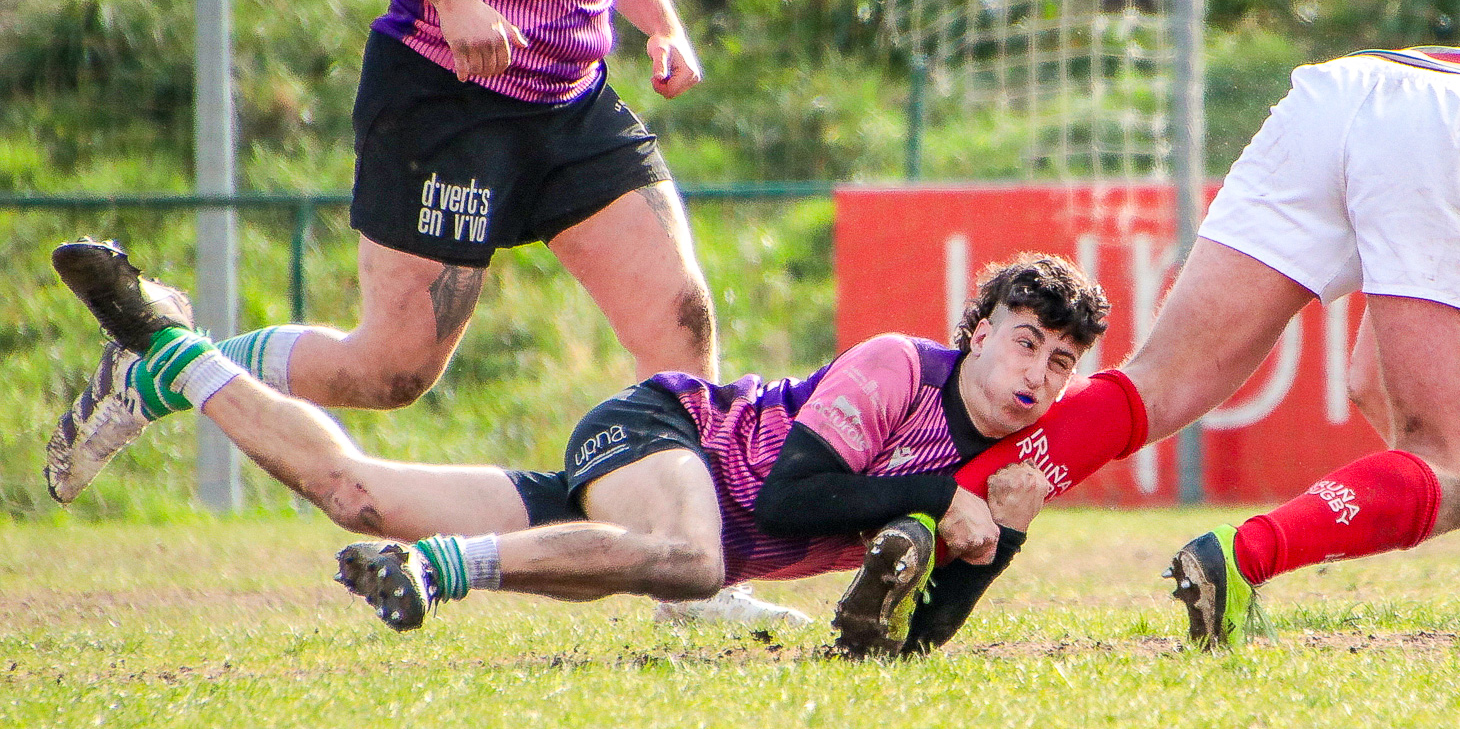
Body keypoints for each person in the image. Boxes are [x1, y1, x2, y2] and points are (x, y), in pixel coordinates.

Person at [42, 0, 799, 623]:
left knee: (681, 326)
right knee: (391, 370)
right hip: (447, 100)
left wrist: (663, 24)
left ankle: (694, 587)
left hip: (572, 105)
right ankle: (160, 370)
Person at [941, 45, 1460, 649]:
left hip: (1335, 92)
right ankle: (1241, 560)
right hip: (1456, 123)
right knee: (1459, 470)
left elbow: (1369, 379)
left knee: (1158, 381)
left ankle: (934, 511)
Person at [51, 242, 1107, 649]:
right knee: (693, 563)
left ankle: (171, 359)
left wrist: (988, 539)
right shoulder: (897, 366)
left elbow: (922, 641)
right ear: (980, 331)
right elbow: (790, 498)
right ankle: (438, 572)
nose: (1038, 374)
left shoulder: (1015, 469)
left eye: (1062, 362)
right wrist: (939, 495)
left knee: (354, 492)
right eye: (1026, 342)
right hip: (660, 433)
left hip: (646, 514)